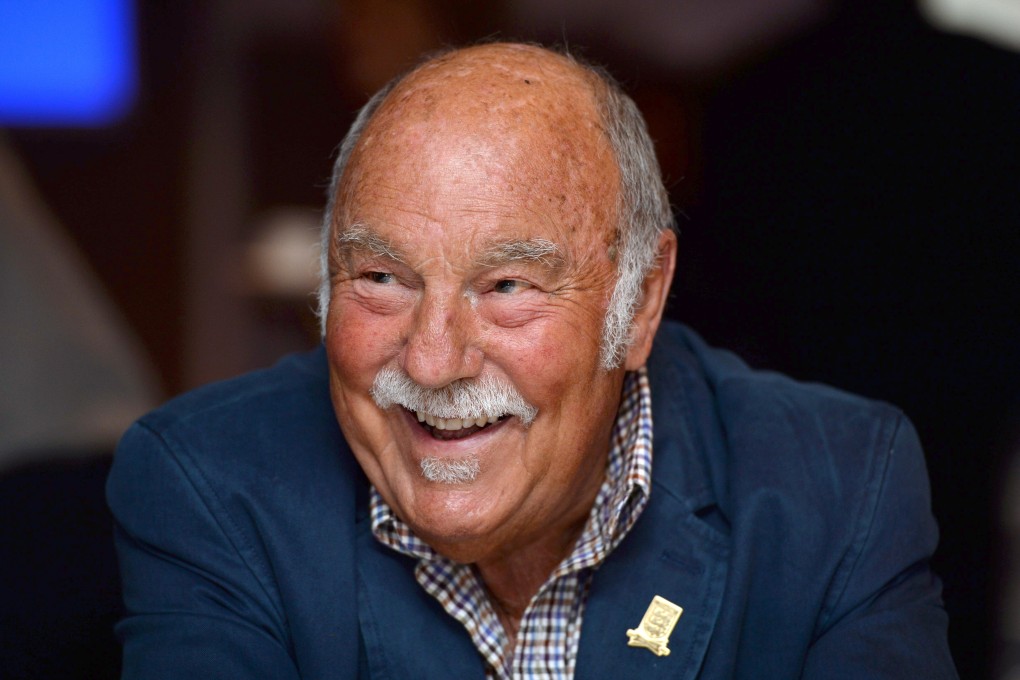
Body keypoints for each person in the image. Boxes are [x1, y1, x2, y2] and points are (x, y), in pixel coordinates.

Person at [106, 42, 957, 679]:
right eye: (381, 278)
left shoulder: (839, 488)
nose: (434, 362)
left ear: (642, 300)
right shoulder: (207, 481)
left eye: (508, 285)